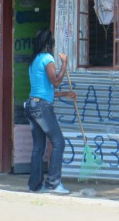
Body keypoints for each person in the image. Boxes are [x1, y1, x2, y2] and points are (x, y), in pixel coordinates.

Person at [26, 28, 76, 194]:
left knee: (38, 147)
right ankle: (53, 184)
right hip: (42, 107)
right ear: (50, 44)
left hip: (32, 105)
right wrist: (64, 64)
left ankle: (35, 185)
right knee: (59, 142)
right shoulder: (48, 58)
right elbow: (55, 82)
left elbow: (45, 89)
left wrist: (66, 94)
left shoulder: (34, 61)